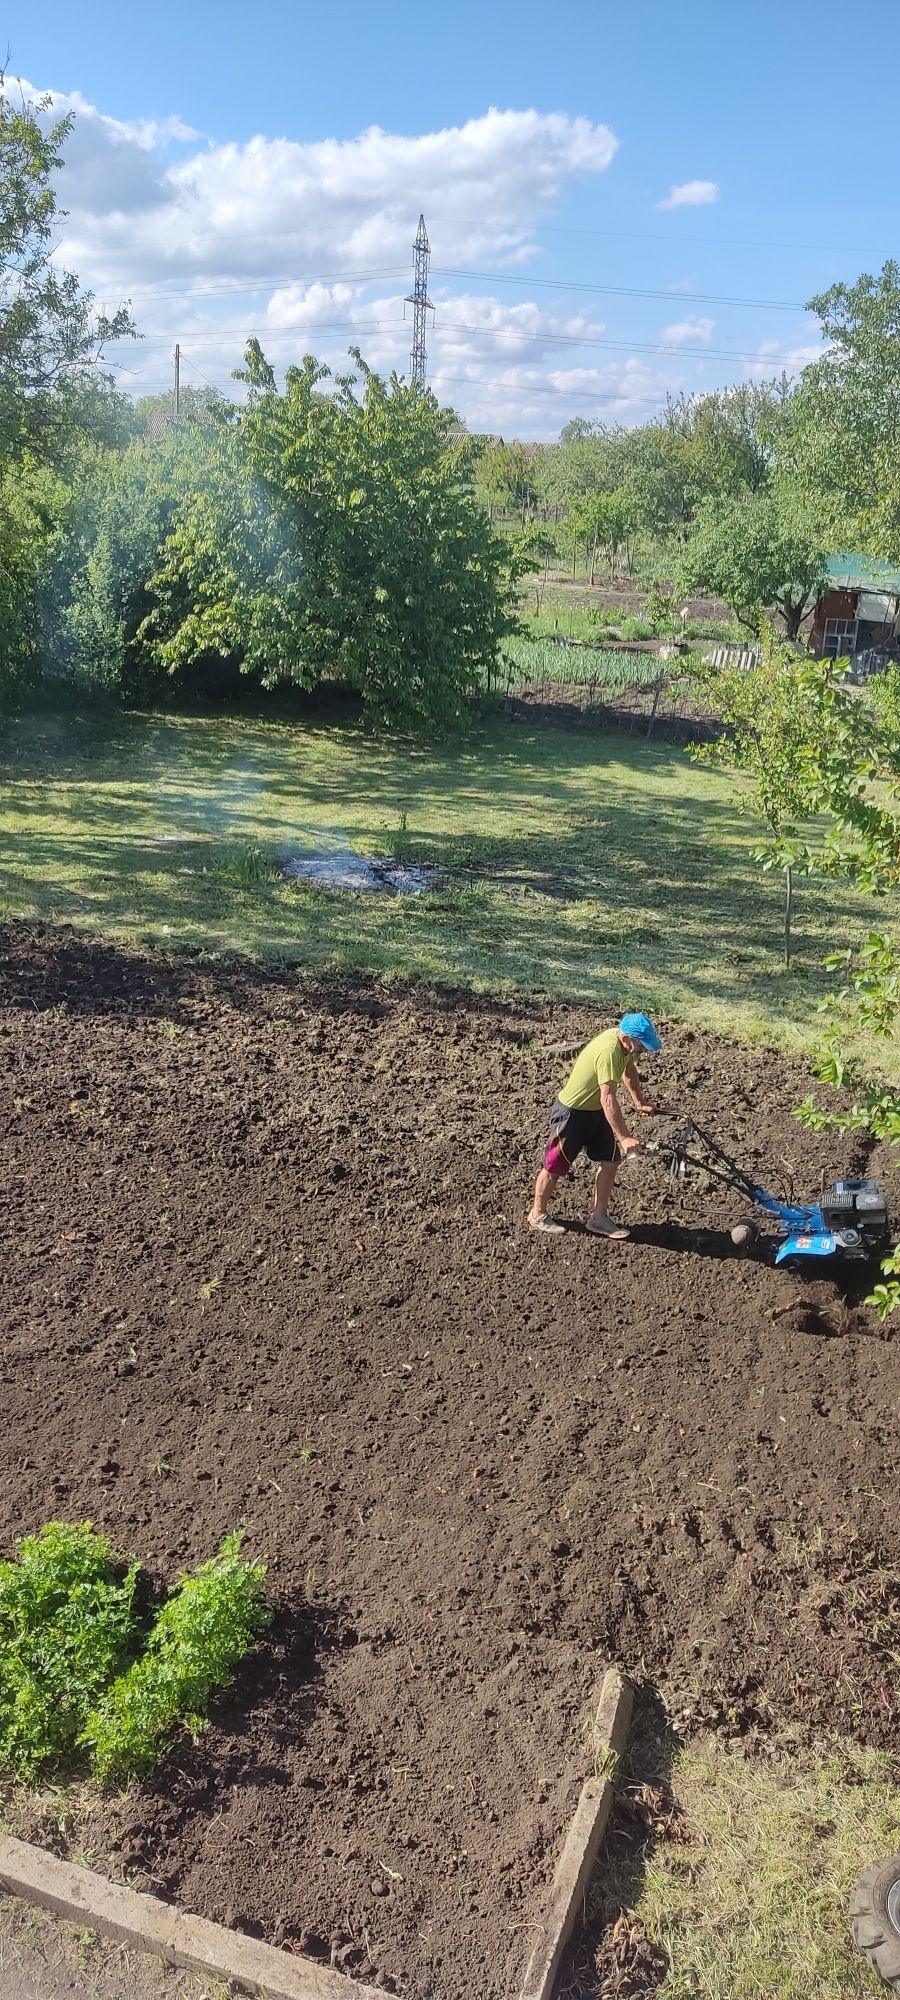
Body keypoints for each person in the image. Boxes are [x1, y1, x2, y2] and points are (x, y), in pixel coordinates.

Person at [528, 1012, 669, 1240]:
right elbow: (608, 1098)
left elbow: (629, 1070)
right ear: (627, 1039)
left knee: (611, 1160)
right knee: (554, 1167)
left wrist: (639, 1101)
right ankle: (538, 1215)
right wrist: (624, 1137)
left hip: (594, 1112)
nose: (643, 1051)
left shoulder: (624, 1047)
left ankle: (599, 1219)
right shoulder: (609, 1052)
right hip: (571, 1114)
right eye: (642, 1046)